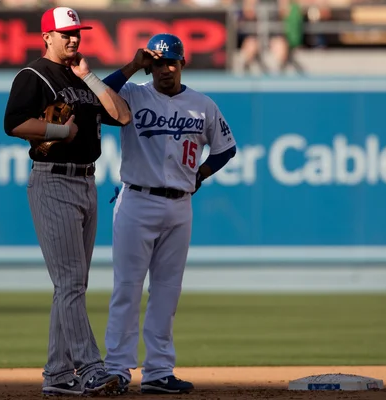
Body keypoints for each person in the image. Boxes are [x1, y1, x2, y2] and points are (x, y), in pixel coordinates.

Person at [2, 6, 131, 397]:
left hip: (86, 183)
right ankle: (90, 367)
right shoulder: (33, 75)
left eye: (77, 32)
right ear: (47, 37)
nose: (73, 38)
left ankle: (58, 374)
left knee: (72, 284)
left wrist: (90, 76)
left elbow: (121, 116)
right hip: (53, 179)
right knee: (71, 282)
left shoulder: (80, 76)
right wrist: (61, 129)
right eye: (65, 33)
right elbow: (13, 122)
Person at [100, 33, 237, 395]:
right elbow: (97, 101)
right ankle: (117, 369)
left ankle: (159, 370)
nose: (165, 68)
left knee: (166, 290)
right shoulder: (133, 94)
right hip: (136, 200)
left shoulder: (202, 104)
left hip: (180, 205)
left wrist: (201, 175)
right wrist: (132, 66)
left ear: (183, 64)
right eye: (158, 62)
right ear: (151, 64)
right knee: (127, 289)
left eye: (171, 62)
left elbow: (226, 148)